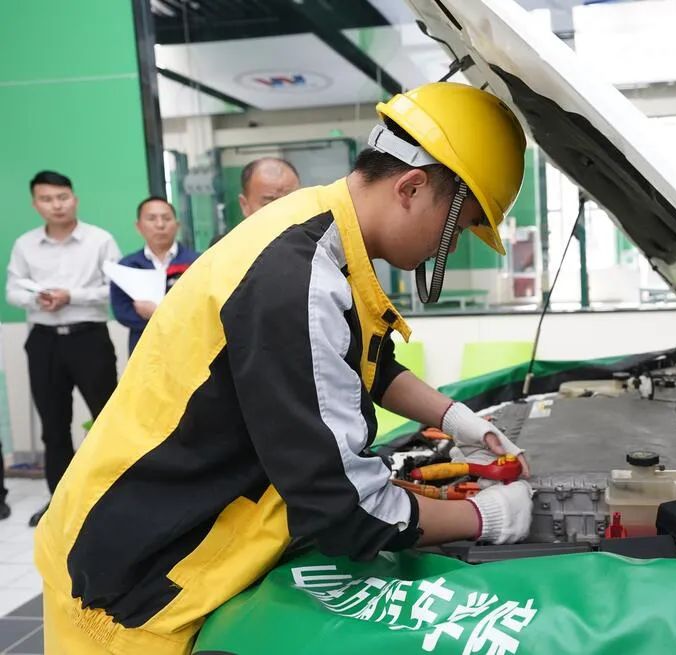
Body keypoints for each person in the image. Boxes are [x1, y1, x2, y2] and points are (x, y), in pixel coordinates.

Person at [36, 82, 530, 654]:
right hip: (131, 586)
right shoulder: (297, 277)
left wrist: (458, 419)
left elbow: (366, 360)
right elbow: (349, 510)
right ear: (412, 187)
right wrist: (484, 517)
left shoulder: (317, 226)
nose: (453, 245)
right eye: (459, 226)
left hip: (142, 532)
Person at [5, 170, 120, 527]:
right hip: (44, 342)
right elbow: (12, 291)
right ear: (35, 204)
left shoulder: (100, 240)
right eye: (47, 199)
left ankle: (116, 499)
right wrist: (37, 299)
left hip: (90, 339)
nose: (56, 205)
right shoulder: (25, 245)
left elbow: (115, 288)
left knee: (107, 420)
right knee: (54, 427)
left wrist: (72, 296)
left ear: (74, 199)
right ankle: (60, 504)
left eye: (62, 197)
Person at [110, 197, 199, 354]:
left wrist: (155, 313)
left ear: (177, 225)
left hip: (188, 345)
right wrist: (171, 320)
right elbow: (122, 311)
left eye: (166, 218)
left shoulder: (197, 262)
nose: (160, 225)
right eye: (152, 219)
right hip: (144, 347)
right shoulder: (127, 265)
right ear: (138, 227)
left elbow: (200, 309)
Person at [210, 157, 300, 246]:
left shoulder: (307, 244)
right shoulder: (225, 249)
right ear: (244, 205)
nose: (282, 212)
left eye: (291, 202)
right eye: (269, 204)